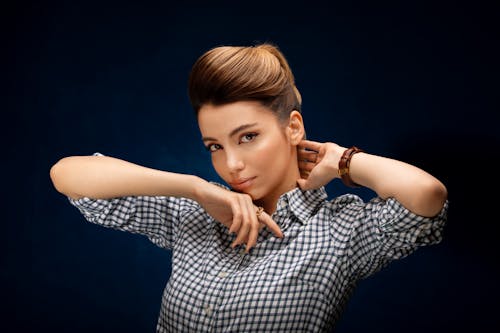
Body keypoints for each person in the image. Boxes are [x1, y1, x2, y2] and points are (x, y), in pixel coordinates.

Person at [49, 43, 448, 332]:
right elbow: (69, 175)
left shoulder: (341, 229)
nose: (231, 164)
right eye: (215, 147)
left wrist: (344, 160)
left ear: (292, 127)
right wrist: (195, 188)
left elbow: (427, 195)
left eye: (247, 137)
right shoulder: (196, 214)